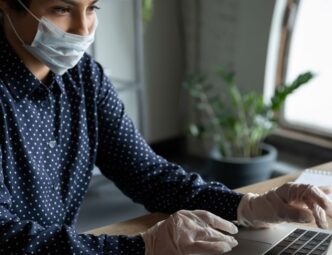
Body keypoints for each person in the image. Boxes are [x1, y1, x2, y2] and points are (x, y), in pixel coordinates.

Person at [0, 0, 331, 254]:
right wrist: (140, 247)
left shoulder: (83, 77)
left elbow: (148, 174)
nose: (84, 29)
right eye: (61, 9)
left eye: (92, 7)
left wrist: (246, 206)